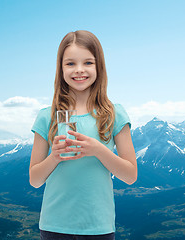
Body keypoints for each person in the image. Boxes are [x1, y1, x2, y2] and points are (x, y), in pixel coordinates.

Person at [29, 30, 137, 240]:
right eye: (70, 64)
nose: (79, 70)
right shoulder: (47, 116)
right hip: (54, 225)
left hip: (98, 226)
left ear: (99, 67)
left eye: (88, 62)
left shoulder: (114, 114)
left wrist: (97, 149)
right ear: (60, 68)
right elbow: (35, 179)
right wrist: (55, 157)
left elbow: (131, 175)